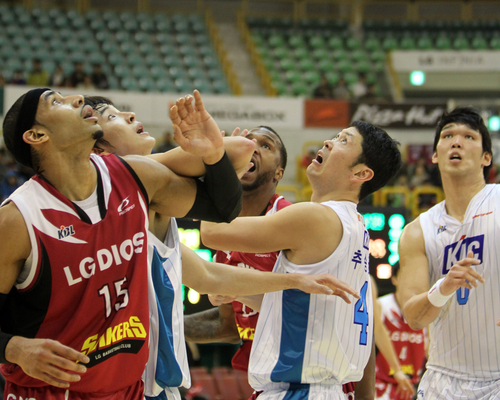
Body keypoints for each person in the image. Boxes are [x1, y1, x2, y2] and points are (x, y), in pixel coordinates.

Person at [0, 88, 355, 400]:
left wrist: (213, 154)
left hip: (131, 387)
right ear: (36, 134)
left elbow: (219, 223)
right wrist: (13, 347)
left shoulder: (134, 179)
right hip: (54, 389)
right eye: (56, 101)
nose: (76, 98)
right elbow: (214, 245)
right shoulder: (19, 219)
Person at [197, 96, 403, 399]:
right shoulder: (357, 226)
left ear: (361, 174)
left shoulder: (315, 216)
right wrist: (239, 292)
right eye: (335, 136)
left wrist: (225, 164)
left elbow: (211, 231)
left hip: (301, 390)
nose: (329, 142)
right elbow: (308, 310)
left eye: (343, 141)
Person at [397, 107, 499, 399]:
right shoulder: (418, 231)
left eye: (469, 136)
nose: (457, 142)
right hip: (444, 381)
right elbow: (414, 317)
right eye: (448, 135)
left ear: (486, 158)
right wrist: (443, 287)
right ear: (435, 155)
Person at [374, 265, 426, 400]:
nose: (410, 281)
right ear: (394, 279)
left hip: (412, 385)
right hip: (382, 383)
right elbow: (378, 335)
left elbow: (430, 349)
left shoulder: (426, 310)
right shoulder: (381, 305)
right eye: (405, 276)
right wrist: (397, 370)